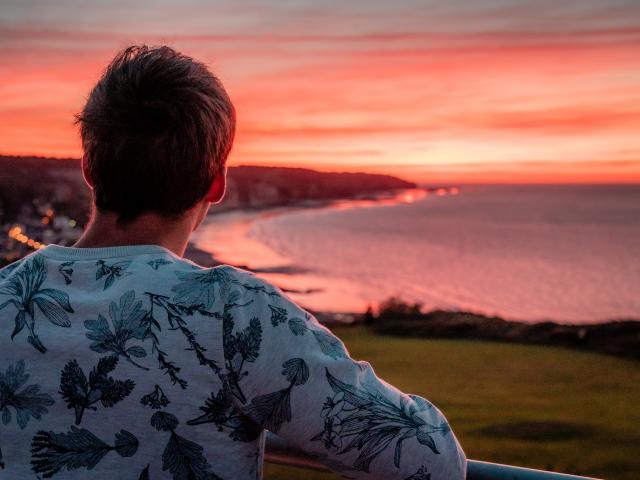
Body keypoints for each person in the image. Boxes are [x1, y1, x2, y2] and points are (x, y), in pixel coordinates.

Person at [0, 45, 466, 480]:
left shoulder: (6, 298)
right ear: (216, 184)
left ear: (88, 169)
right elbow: (432, 457)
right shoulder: (231, 315)